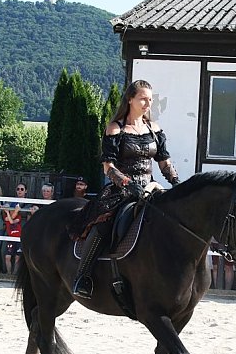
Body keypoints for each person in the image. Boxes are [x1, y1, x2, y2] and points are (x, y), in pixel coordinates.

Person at [71, 79, 181, 297]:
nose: (148, 104)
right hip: (120, 191)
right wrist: (128, 184)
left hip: (150, 188)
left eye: (150, 99)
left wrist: (177, 184)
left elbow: (164, 163)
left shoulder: (154, 129)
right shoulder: (115, 129)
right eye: (143, 99)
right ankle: (82, 277)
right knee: (104, 224)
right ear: (130, 99)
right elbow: (108, 167)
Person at [4, 183, 30, 274]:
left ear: (26, 191)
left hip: (22, 231)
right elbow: (10, 216)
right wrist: (8, 209)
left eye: (22, 189)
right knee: (6, 254)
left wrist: (11, 212)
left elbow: (24, 215)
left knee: (18, 256)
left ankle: (15, 274)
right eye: (18, 189)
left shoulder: (28, 202)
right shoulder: (12, 201)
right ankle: (7, 273)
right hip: (10, 231)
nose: (19, 191)